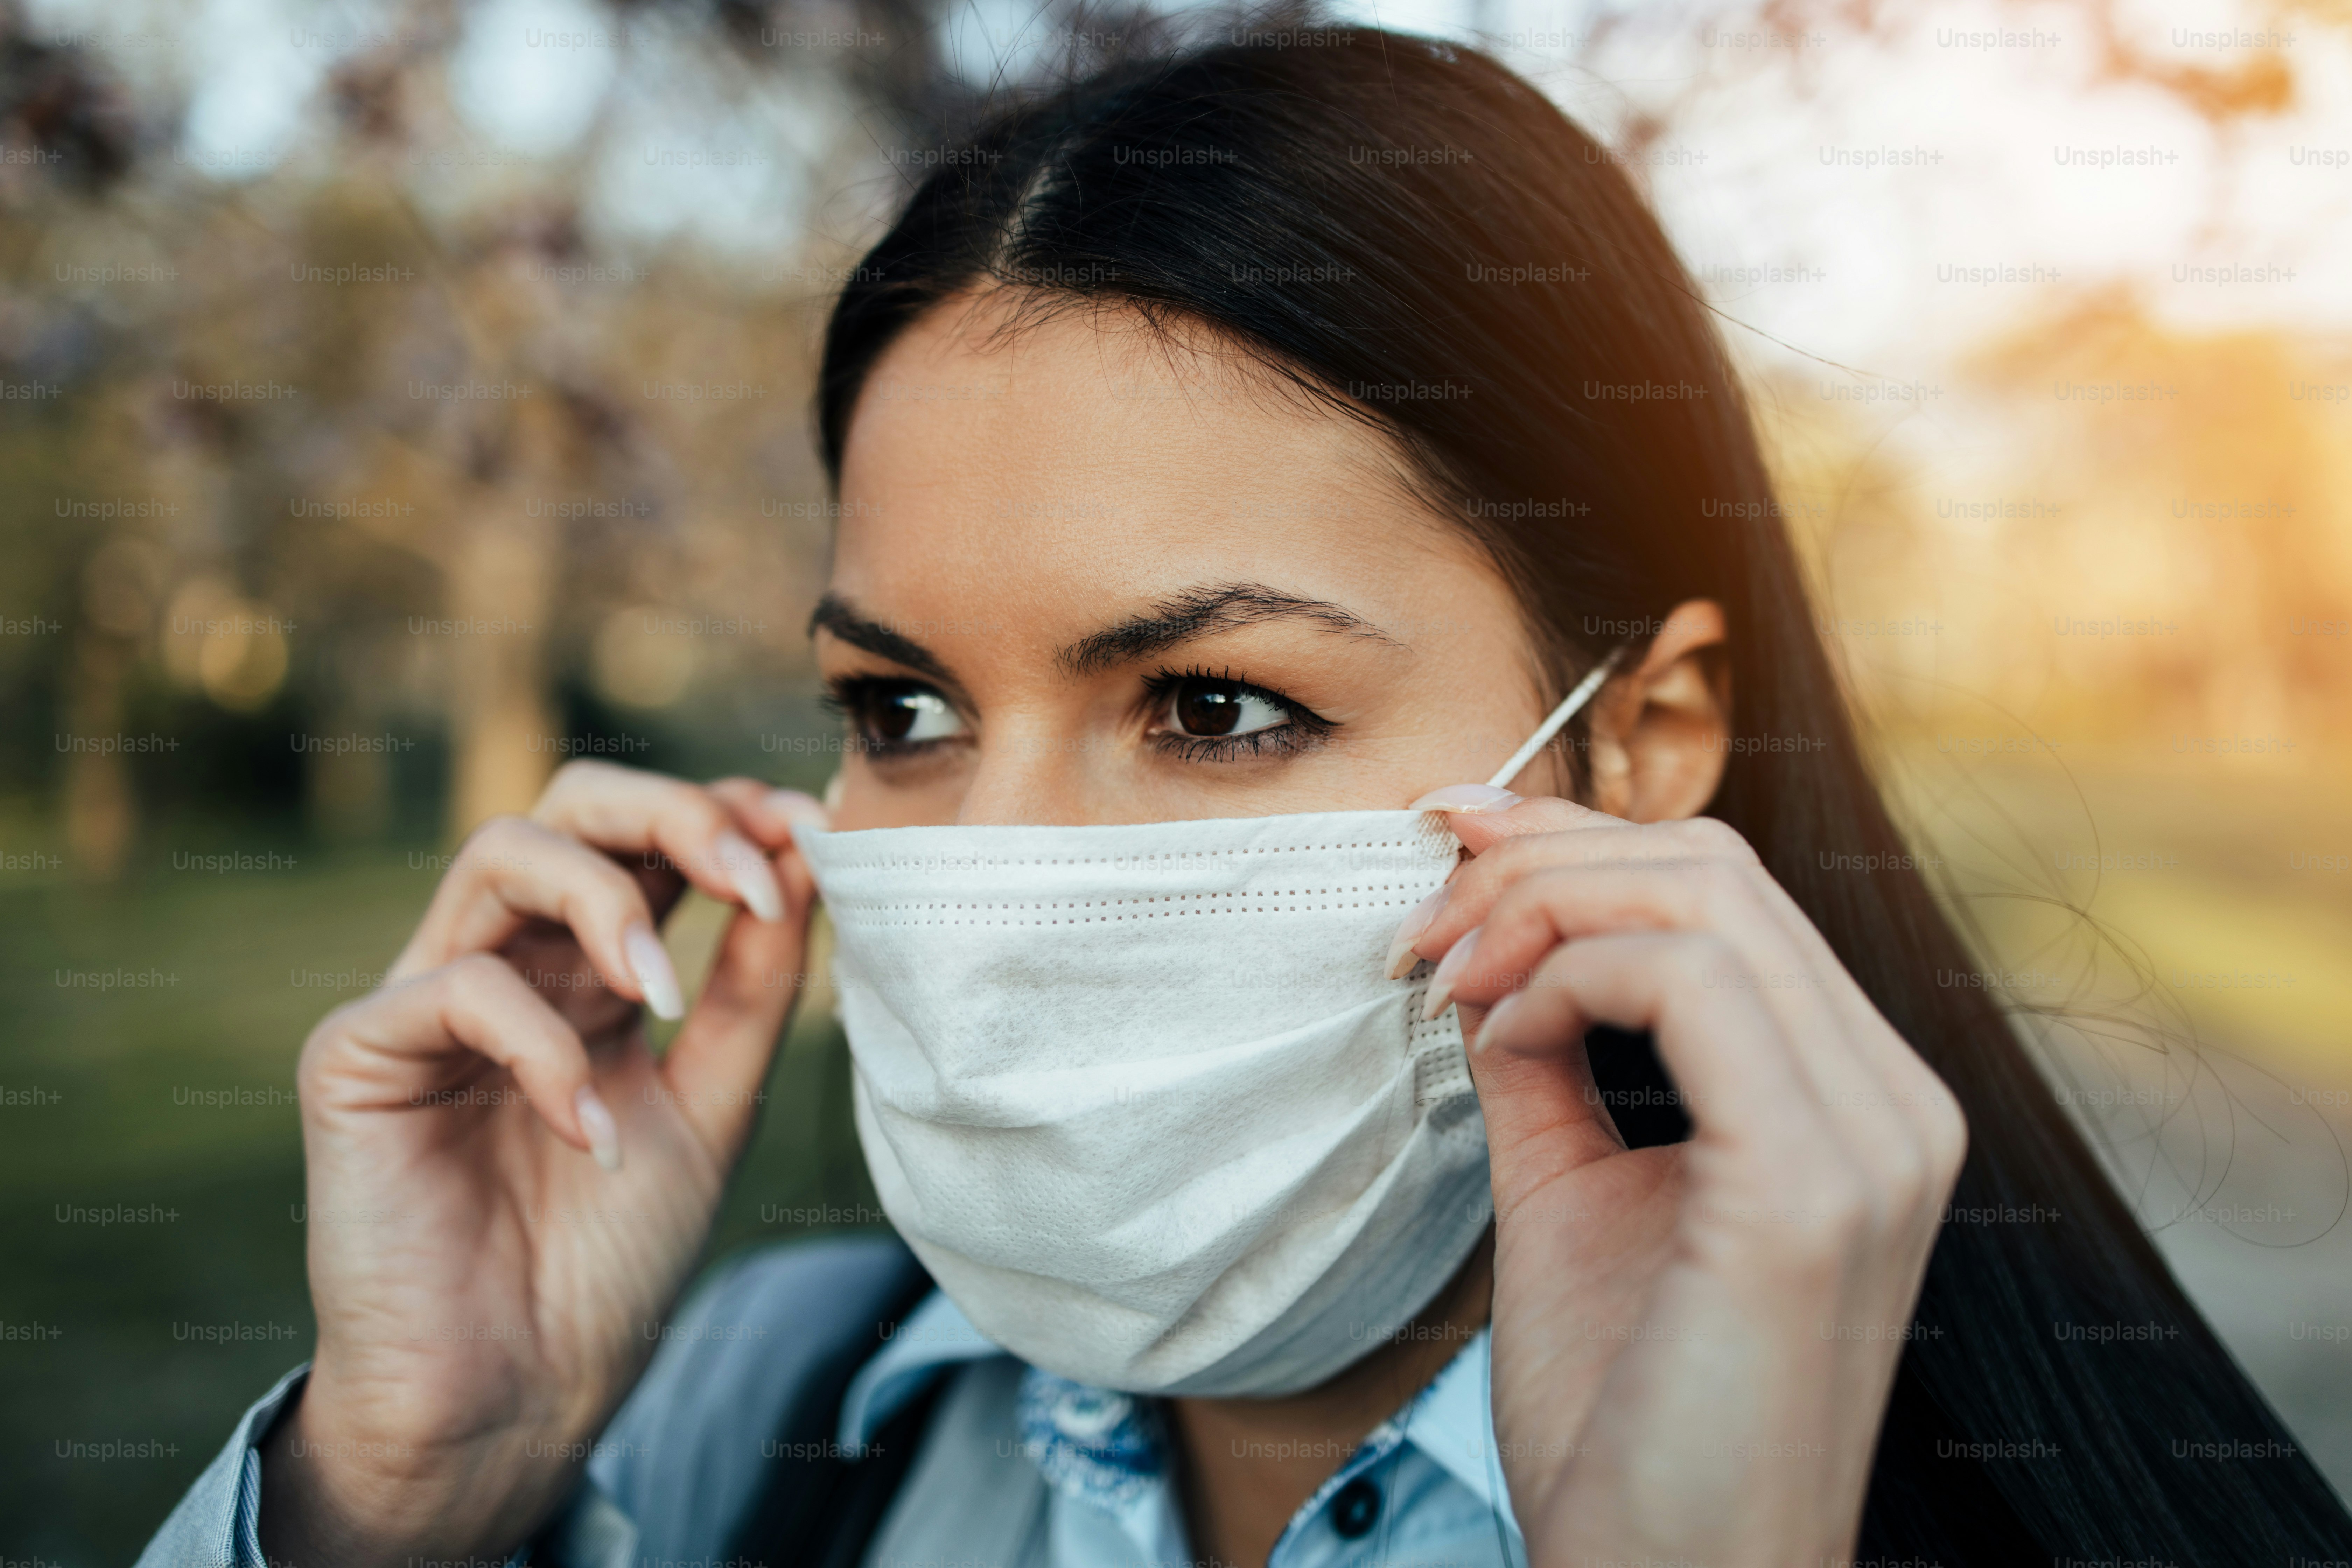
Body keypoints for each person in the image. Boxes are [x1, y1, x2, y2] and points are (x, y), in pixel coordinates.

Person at [141, 24, 2351, 1568]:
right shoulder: (737, 1421)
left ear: (1649, 733)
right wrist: (390, 1497)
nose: (994, 874)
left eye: (1210, 706)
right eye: (900, 714)